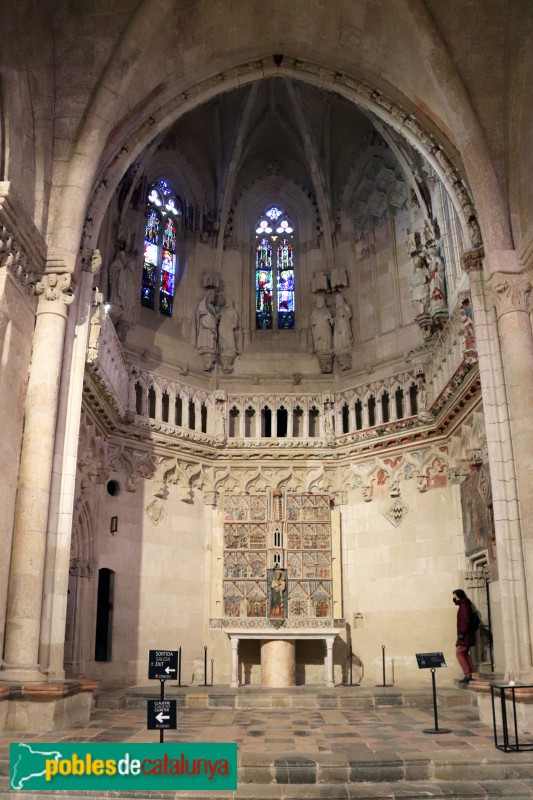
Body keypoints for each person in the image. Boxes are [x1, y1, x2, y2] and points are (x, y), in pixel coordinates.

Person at [453, 588, 476, 683]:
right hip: (466, 634)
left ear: (459, 596)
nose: (454, 598)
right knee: (465, 653)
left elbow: (466, 620)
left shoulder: (464, 606)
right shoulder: (464, 604)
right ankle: (473, 673)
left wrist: (462, 633)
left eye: (454, 596)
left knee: (459, 653)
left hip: (465, 634)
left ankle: (467, 674)